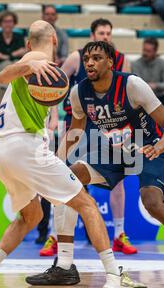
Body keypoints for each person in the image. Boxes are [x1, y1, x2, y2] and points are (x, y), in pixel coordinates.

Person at [26, 41, 164, 288]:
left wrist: (158, 148)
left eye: (97, 58)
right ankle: (64, 267)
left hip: (147, 146)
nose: (90, 62)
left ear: (110, 62)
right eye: (88, 58)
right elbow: (76, 130)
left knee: (152, 203)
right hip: (112, 151)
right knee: (67, 179)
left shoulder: (132, 85)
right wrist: (56, 164)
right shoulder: (78, 92)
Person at [0, 21, 145, 288]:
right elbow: (2, 75)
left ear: (28, 42)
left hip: (0, 151)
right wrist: (28, 65)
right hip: (24, 147)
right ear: (53, 40)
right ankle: (113, 275)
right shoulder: (36, 59)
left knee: (31, 215)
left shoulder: (47, 71)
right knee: (86, 204)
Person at [37, 18, 137, 257]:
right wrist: (53, 117)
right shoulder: (75, 57)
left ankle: (119, 235)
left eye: (109, 33)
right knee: (64, 178)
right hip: (78, 125)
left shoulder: (122, 61)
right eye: (101, 32)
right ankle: (53, 235)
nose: (105, 36)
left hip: (108, 126)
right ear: (92, 35)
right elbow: (55, 87)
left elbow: (127, 96)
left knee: (118, 181)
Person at [132, 37, 164, 120]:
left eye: (148, 51)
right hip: (143, 98)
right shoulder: (136, 64)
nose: (145, 53)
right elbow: (138, 86)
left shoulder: (162, 63)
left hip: (159, 96)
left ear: (155, 51)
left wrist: (155, 85)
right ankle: (139, 133)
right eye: (144, 50)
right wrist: (156, 87)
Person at [0, 11, 27, 82]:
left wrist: (4, 56)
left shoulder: (19, 37)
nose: (8, 24)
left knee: (17, 64)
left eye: (10, 21)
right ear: (0, 23)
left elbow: (22, 54)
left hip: (14, 66)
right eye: (5, 21)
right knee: (7, 64)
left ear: (14, 23)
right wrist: (14, 54)